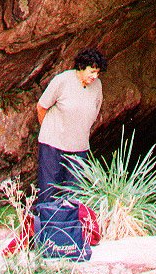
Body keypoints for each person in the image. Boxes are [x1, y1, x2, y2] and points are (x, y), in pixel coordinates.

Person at [36, 48, 107, 206]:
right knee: (48, 189)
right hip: (52, 144)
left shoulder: (97, 86)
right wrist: (50, 130)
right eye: (92, 71)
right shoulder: (62, 80)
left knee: (74, 192)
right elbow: (41, 107)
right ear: (81, 67)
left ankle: (67, 227)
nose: (95, 76)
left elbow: (95, 109)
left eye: (98, 72)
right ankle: (45, 226)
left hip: (79, 146)